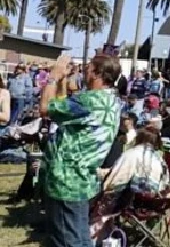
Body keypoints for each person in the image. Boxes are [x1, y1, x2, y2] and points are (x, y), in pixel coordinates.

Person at [40, 55, 122, 247]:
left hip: (67, 180)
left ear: (97, 73)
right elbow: (62, 111)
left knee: (70, 241)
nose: (84, 72)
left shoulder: (88, 100)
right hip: (82, 180)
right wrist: (62, 82)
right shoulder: (109, 100)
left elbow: (45, 108)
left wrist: (52, 76)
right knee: (76, 237)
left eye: (88, 68)